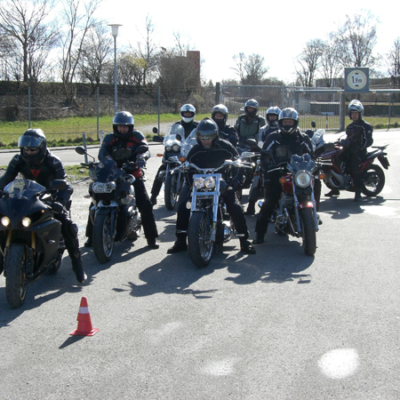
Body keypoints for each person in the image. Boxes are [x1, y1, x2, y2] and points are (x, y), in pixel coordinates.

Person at [0, 129, 87, 283]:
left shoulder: (53, 161)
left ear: (41, 147)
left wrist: (60, 202)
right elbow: (5, 180)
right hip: (26, 197)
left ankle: (78, 267)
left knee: (68, 226)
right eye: (25, 149)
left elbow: (66, 185)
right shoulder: (17, 160)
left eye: (32, 149)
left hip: (49, 198)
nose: (28, 152)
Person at [167, 118, 256, 255]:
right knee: (183, 205)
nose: (205, 140)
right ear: (198, 136)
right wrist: (190, 185)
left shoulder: (225, 146)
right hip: (200, 184)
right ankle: (180, 241)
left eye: (208, 137)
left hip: (221, 184)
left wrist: (233, 184)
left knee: (235, 206)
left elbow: (239, 164)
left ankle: (244, 241)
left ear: (215, 135)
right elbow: (188, 169)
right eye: (202, 137)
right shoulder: (196, 149)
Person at [84, 111, 159, 249]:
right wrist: (107, 159)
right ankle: (91, 236)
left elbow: (145, 147)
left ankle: (151, 238)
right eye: (119, 126)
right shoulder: (110, 137)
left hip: (132, 174)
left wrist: (142, 157)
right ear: (115, 126)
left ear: (130, 126)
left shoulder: (136, 135)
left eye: (125, 126)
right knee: (96, 201)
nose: (122, 129)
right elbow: (103, 150)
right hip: (112, 173)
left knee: (145, 204)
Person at [253, 108, 320, 244]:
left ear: (295, 122)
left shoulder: (303, 138)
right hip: (278, 173)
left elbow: (311, 155)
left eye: (290, 122)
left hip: (298, 173)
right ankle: (260, 234)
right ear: (280, 122)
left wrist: (316, 165)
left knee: (316, 182)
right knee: (269, 201)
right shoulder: (274, 137)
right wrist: (268, 167)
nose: (287, 124)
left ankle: (314, 212)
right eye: (285, 122)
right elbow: (265, 155)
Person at [150, 104, 198, 205]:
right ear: (182, 114)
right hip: (177, 152)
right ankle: (153, 196)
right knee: (161, 170)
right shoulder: (175, 126)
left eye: (189, 114)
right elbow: (170, 138)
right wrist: (162, 139)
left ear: (193, 114)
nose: (187, 115)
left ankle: (197, 197)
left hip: (190, 153)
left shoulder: (197, 126)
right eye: (186, 113)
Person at [325, 100, 373, 201]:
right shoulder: (350, 126)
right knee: (334, 161)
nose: (354, 115)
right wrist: (340, 142)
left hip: (360, 152)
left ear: (360, 114)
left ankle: (358, 191)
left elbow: (369, 141)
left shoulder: (366, 126)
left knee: (354, 167)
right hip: (349, 150)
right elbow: (348, 139)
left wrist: (358, 148)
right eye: (352, 113)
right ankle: (335, 187)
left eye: (356, 113)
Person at [244, 106, 282, 215]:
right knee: (256, 180)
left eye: (274, 116)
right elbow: (260, 141)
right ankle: (251, 207)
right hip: (266, 158)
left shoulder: (282, 130)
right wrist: (263, 148)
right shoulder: (263, 129)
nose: (272, 118)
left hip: (280, 160)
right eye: (270, 116)